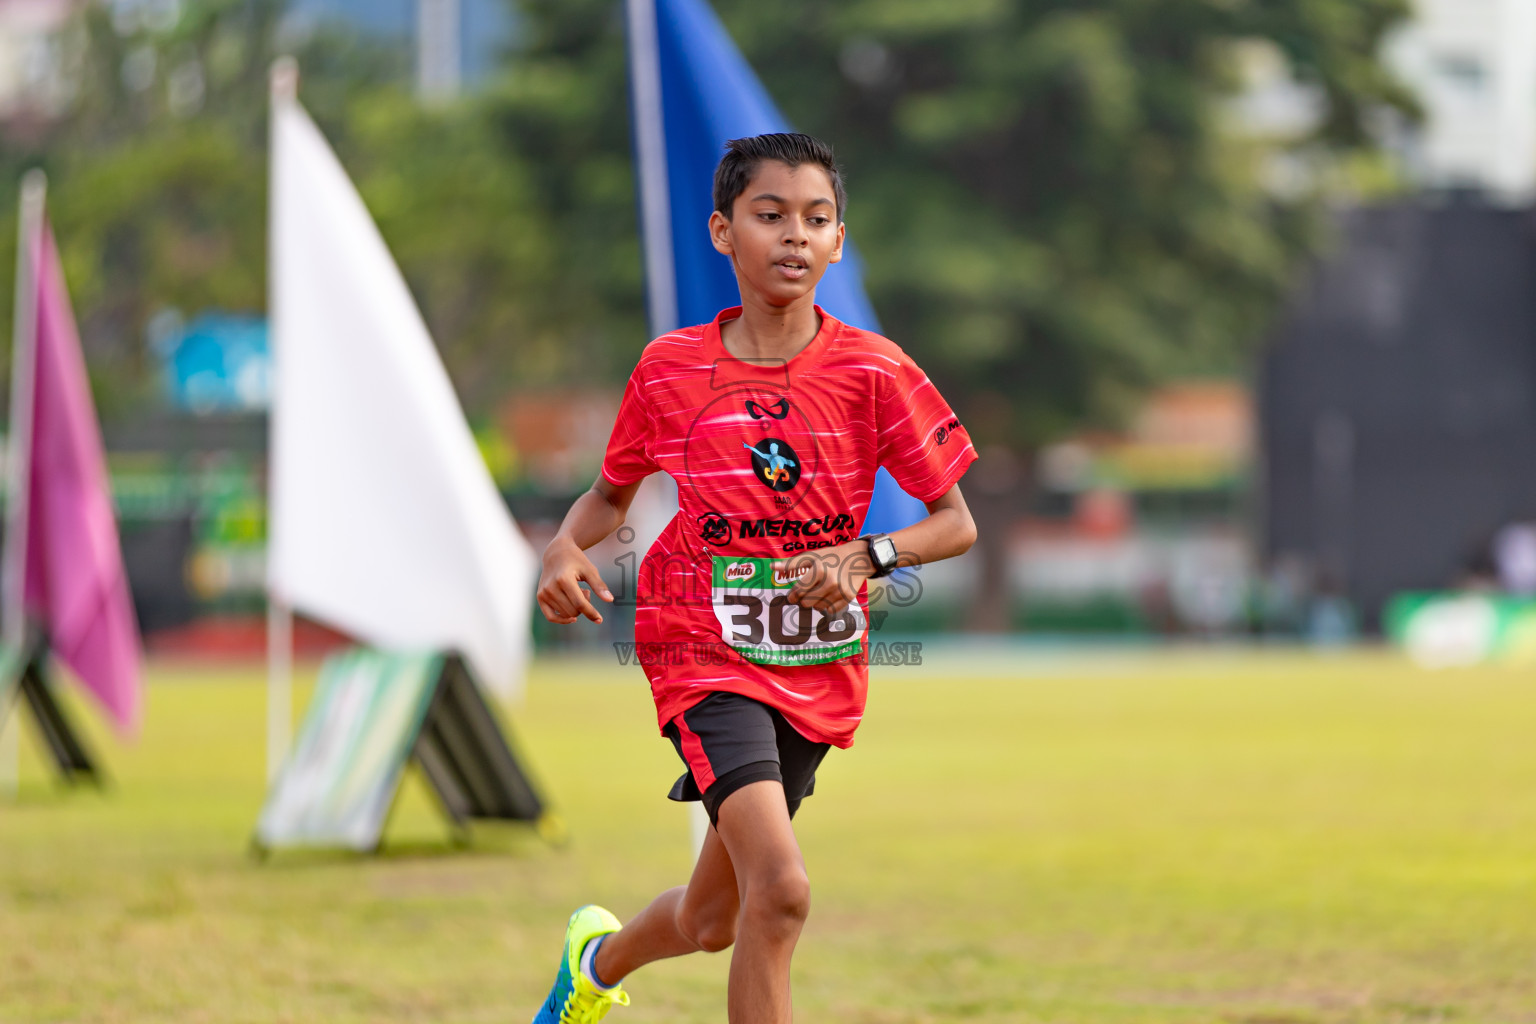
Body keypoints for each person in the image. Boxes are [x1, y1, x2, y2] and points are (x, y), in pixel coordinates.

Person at [531, 132, 978, 1024]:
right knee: (783, 891)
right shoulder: (669, 368)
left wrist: (865, 555)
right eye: (770, 216)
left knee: (714, 920)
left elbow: (956, 523)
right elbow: (607, 498)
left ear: (839, 242)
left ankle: (594, 963)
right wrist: (561, 550)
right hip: (699, 648)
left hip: (815, 665)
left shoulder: (875, 371)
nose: (794, 238)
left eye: (816, 220)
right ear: (722, 231)